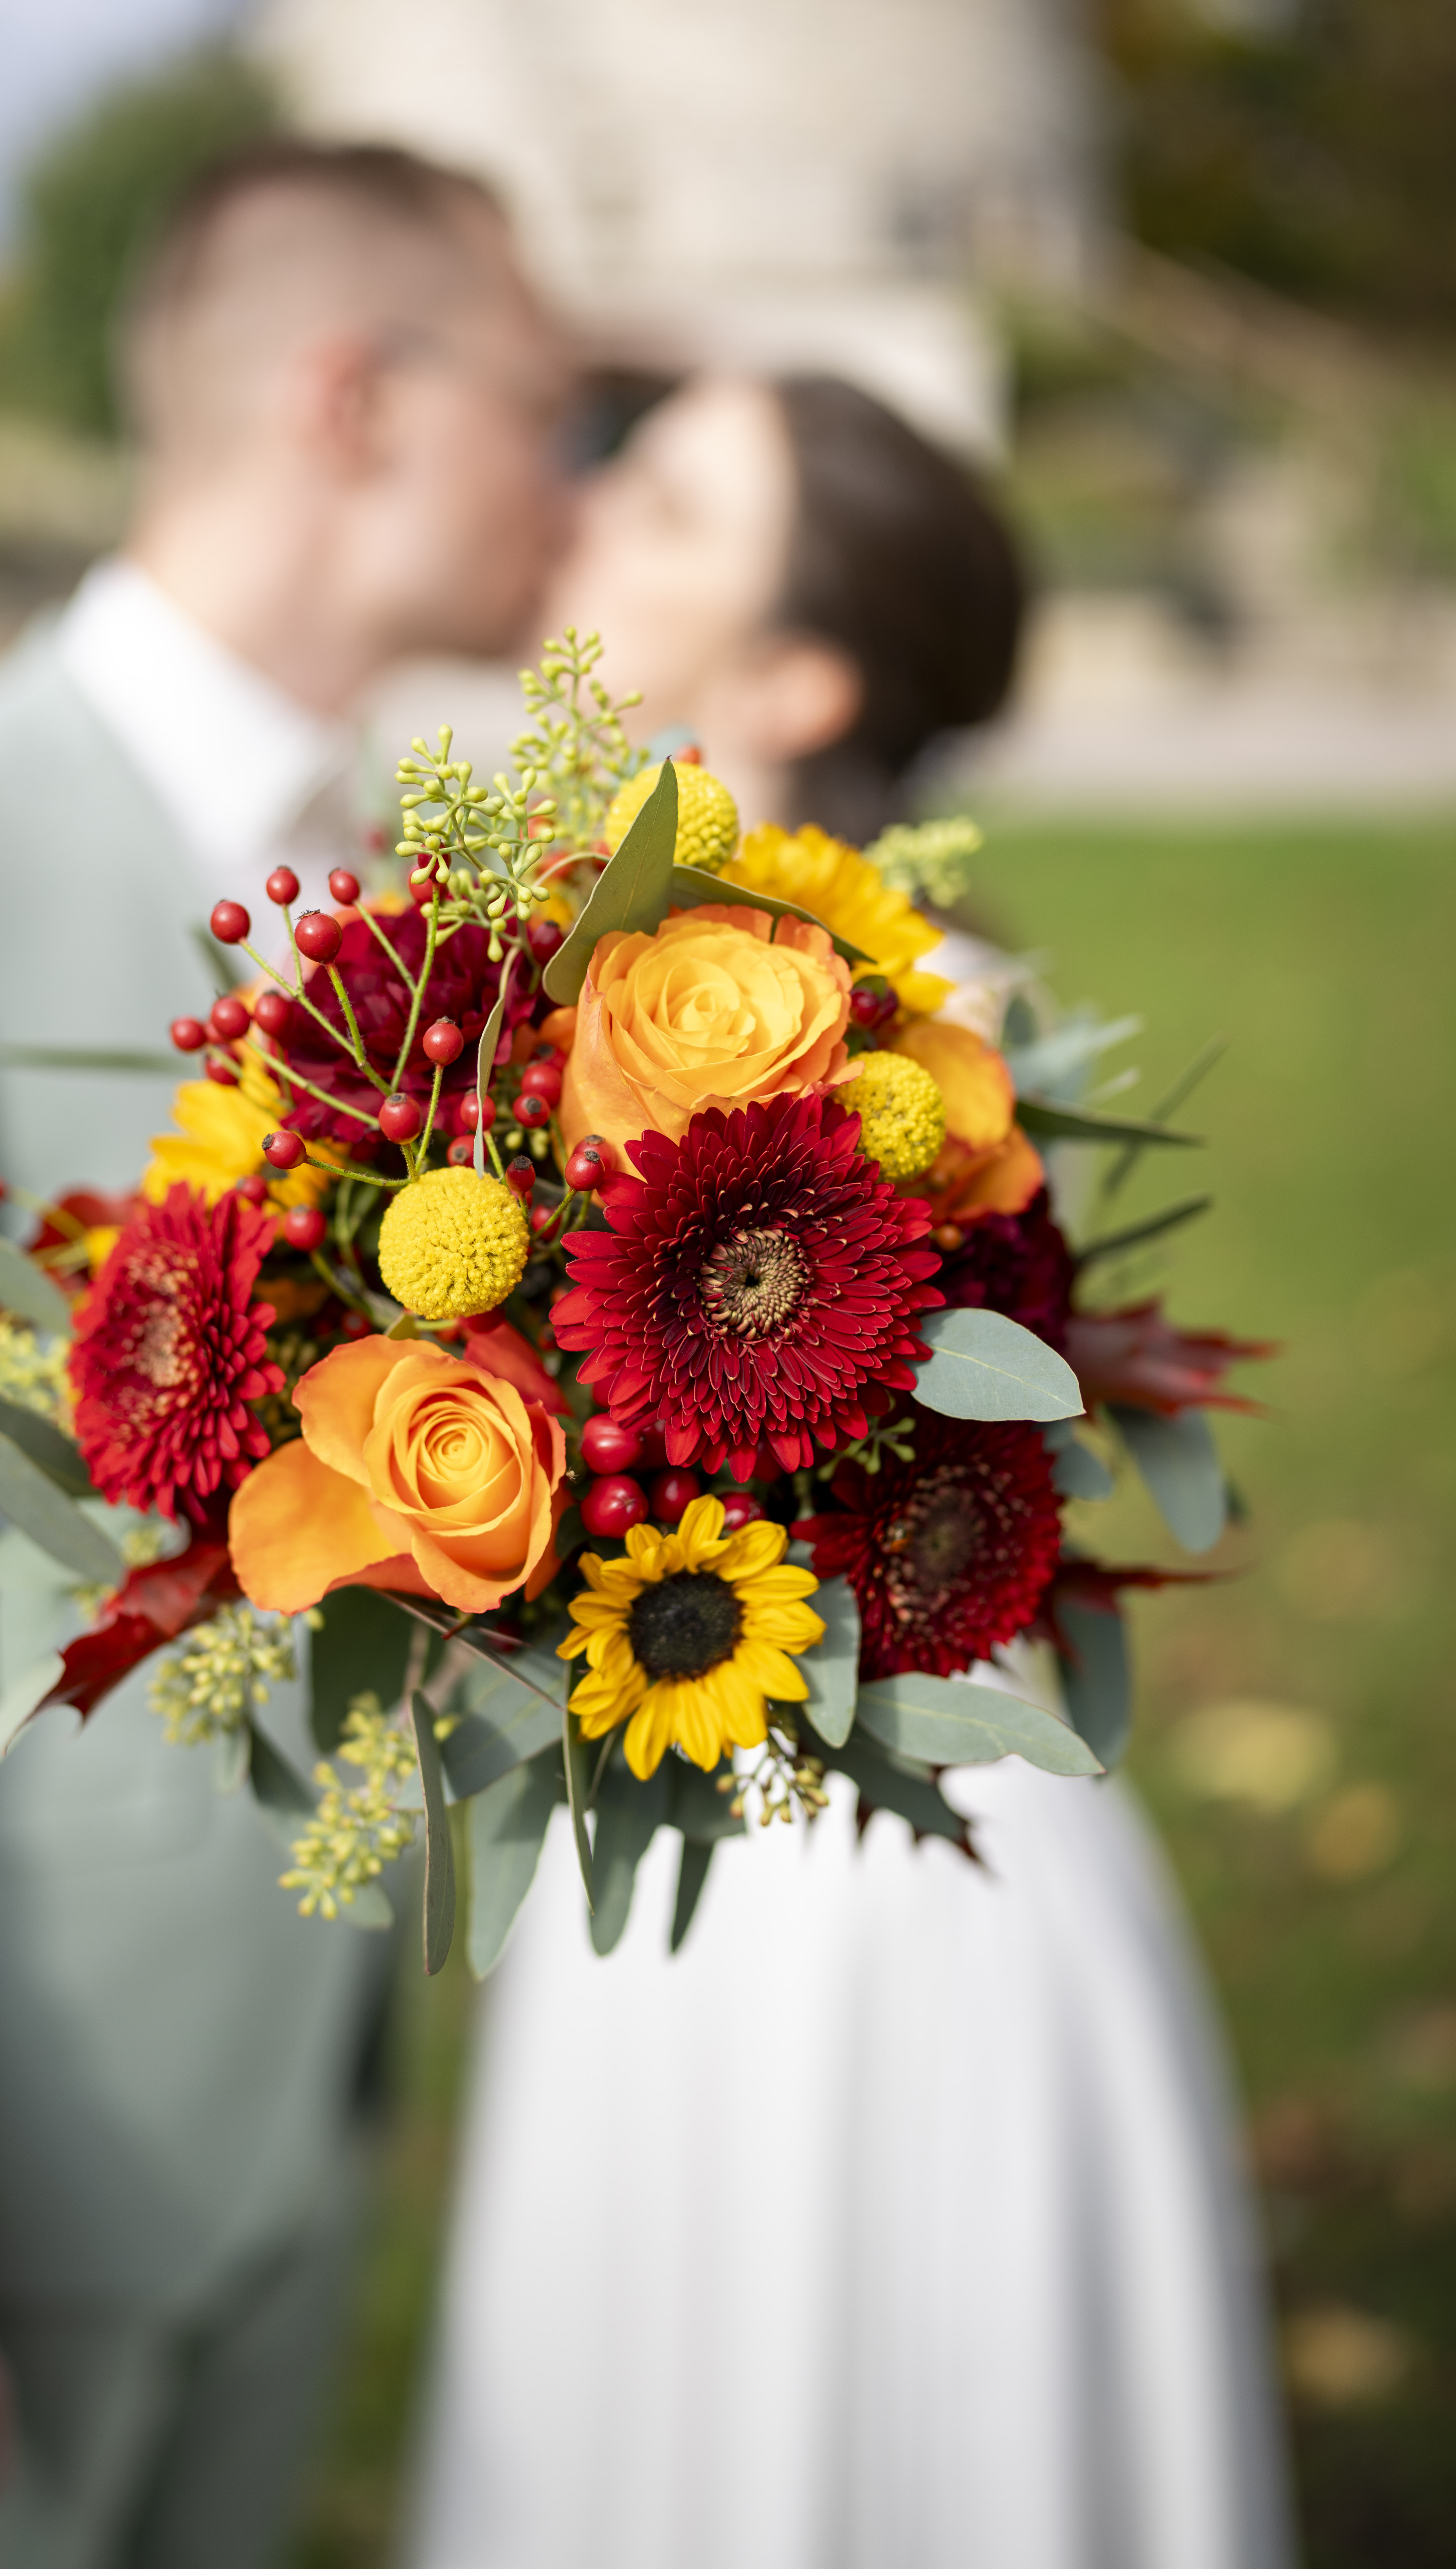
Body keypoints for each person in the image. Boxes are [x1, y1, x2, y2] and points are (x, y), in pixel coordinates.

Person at [0, 141, 570, 2569]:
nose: (570, 489)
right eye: (546, 412)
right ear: (355, 400)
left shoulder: (402, 878)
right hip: (2, 2177)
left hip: (294, 2116)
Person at [406, 376, 1294, 2569]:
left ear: (796, 677)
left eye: (667, 503)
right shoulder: (546, 984)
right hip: (670, 1782)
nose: (589, 512)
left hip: (843, 1857)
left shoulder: (912, 1046)